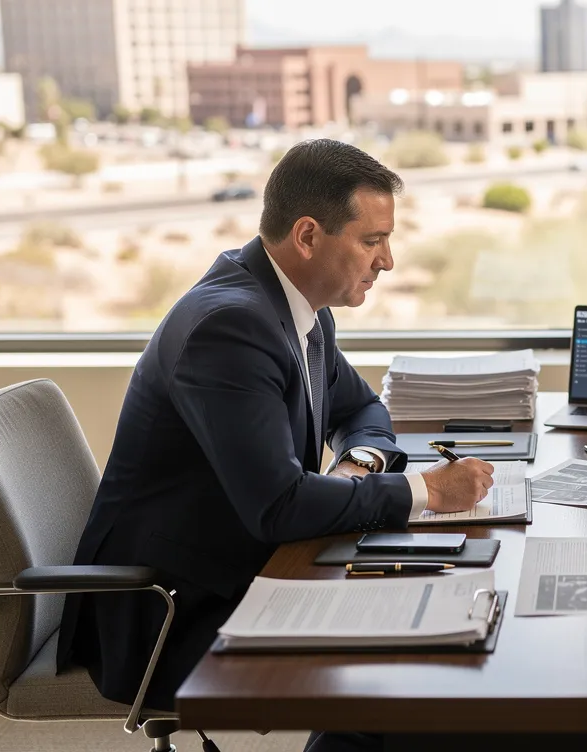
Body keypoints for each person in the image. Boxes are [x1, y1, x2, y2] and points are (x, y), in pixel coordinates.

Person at [57, 139, 495, 751]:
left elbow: (364, 408)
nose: (388, 261)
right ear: (308, 236)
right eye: (372, 241)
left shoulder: (297, 310)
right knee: (396, 684)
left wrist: (356, 464)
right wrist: (424, 489)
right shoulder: (230, 327)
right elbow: (279, 508)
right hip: (172, 611)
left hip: (244, 568)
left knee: (424, 639)